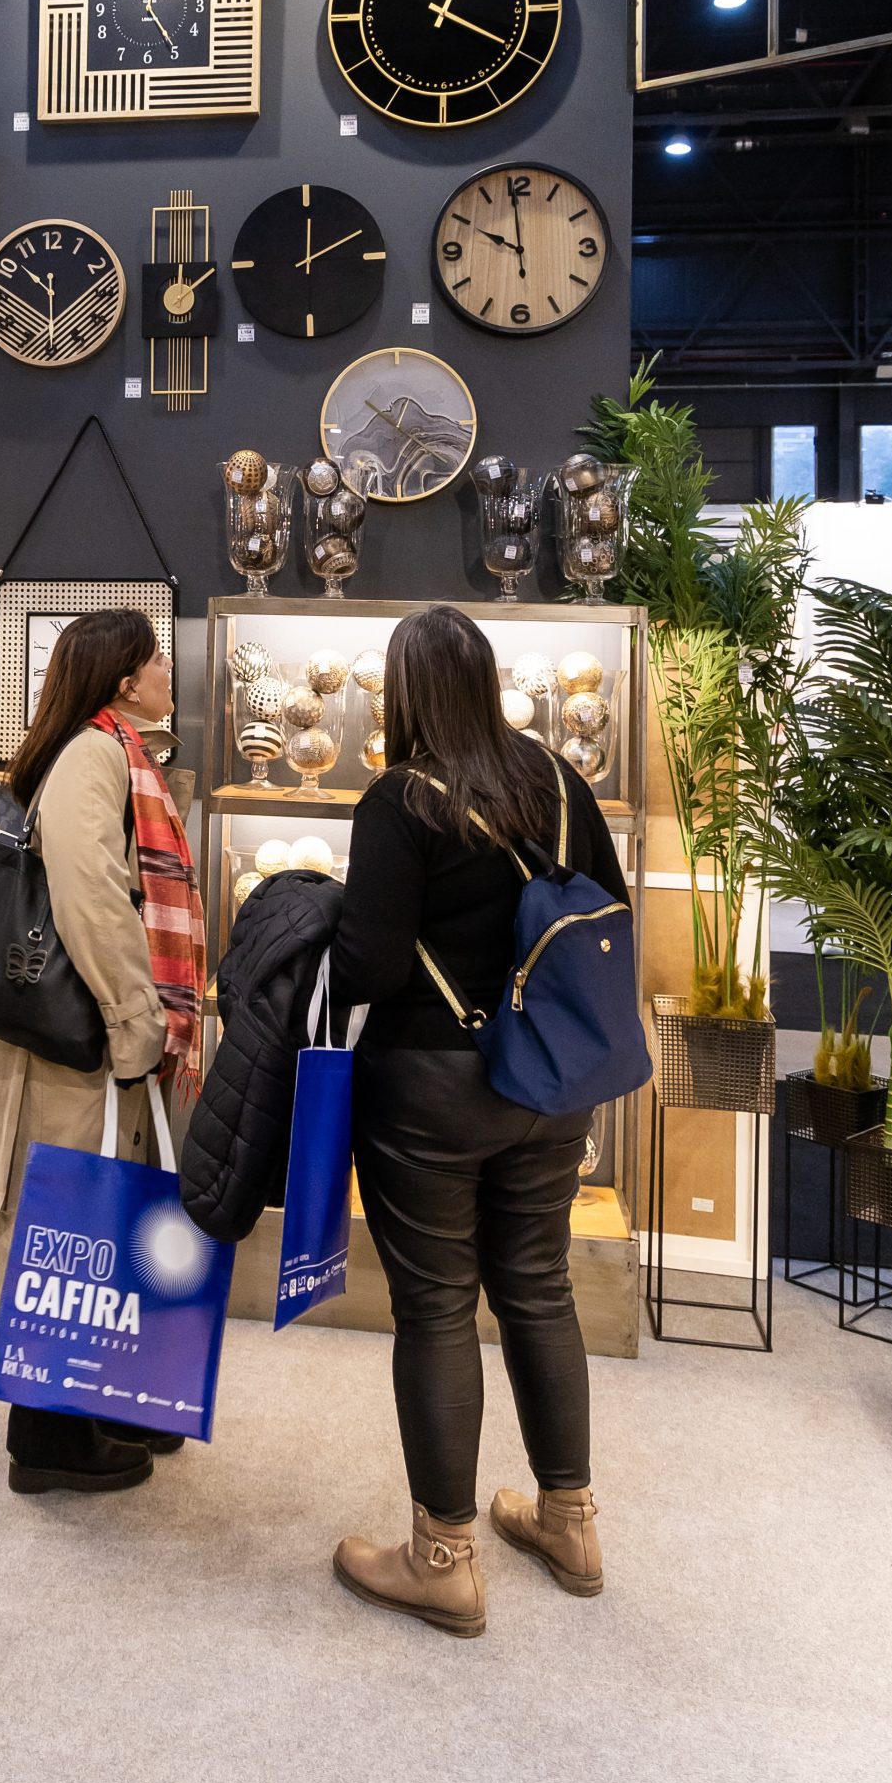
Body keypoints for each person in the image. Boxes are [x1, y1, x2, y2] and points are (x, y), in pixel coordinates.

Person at [327, 604, 630, 1638]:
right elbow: (608, 905)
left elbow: (367, 962)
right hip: (549, 1076)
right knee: (540, 1290)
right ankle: (569, 1519)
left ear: (403, 691)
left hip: (430, 1087)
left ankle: (442, 1557)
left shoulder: (399, 799)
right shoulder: (554, 779)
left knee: (439, 1308)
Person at [0, 608, 206, 1496]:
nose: (167, 672)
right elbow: (94, 900)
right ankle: (48, 1438)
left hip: (95, 1032)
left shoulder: (121, 753)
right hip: (79, 1037)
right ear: (120, 679)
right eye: (155, 659)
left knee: (103, 1212)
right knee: (68, 1222)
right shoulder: (94, 755)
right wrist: (135, 1020)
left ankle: (107, 1399)